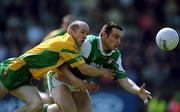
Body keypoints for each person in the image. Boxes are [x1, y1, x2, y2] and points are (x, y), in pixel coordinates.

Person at [0, 20, 115, 112]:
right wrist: (102, 72)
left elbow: (62, 67)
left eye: (87, 33)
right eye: (82, 32)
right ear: (71, 31)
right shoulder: (67, 44)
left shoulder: (71, 46)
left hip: (27, 77)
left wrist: (82, 82)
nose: (85, 36)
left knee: (37, 105)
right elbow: (83, 68)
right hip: (15, 69)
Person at [46, 22, 152, 112]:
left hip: (80, 83)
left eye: (120, 38)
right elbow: (65, 64)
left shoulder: (115, 55)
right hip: (60, 77)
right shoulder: (88, 44)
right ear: (104, 35)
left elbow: (124, 80)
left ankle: (47, 109)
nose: (119, 42)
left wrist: (138, 90)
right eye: (115, 37)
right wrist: (100, 72)